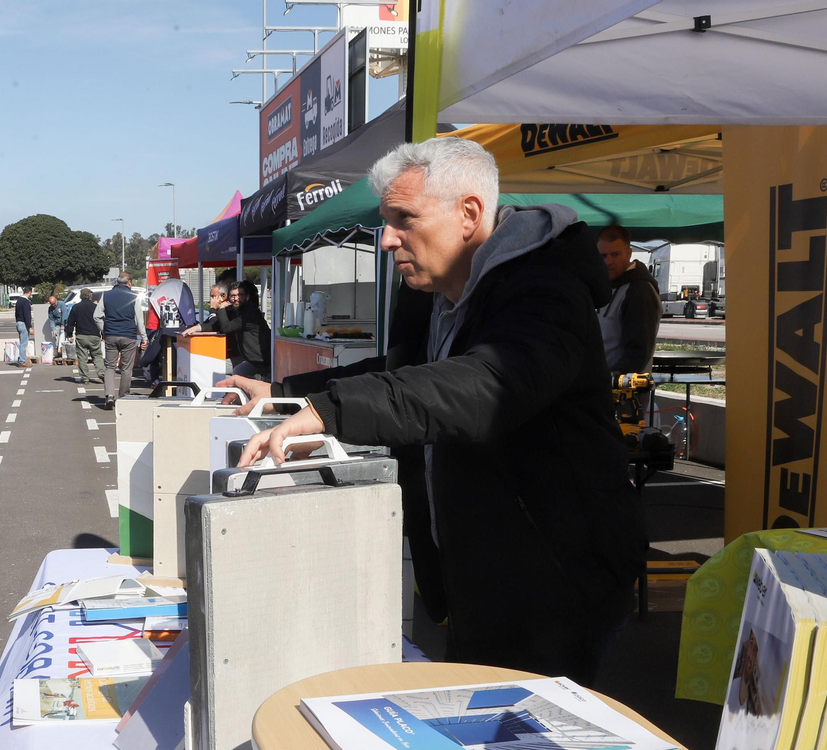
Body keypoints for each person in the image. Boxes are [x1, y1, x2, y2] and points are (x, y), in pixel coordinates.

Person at [237, 138, 646, 684]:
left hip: (554, 576)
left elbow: (487, 385)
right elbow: (407, 369)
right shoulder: (435, 290)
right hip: (478, 571)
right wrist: (285, 390)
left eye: (404, 219)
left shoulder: (546, 290)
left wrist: (330, 410)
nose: (386, 240)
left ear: (469, 213)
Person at [595, 224, 661, 376]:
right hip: (604, 386)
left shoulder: (639, 291)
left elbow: (638, 351)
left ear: (629, 253)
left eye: (615, 254)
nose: (608, 261)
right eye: (603, 256)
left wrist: (612, 377)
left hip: (626, 391)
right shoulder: (605, 286)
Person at [187, 278, 271, 380]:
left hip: (259, 361)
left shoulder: (249, 313)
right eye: (233, 296)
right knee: (216, 367)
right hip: (246, 358)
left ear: (247, 297)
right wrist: (198, 327)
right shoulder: (237, 311)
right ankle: (227, 394)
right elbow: (218, 325)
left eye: (240, 295)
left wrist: (220, 308)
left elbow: (226, 327)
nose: (236, 298)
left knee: (237, 372)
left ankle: (236, 395)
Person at [99, 270, 147, 409]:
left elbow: (97, 315)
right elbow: (139, 320)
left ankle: (109, 396)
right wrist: (144, 337)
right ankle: (124, 396)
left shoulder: (106, 295)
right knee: (126, 368)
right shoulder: (134, 296)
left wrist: (104, 330)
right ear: (130, 282)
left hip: (111, 335)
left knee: (110, 366)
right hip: (128, 335)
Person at [66, 288, 104, 384]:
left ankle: (85, 378)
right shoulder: (96, 307)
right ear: (91, 296)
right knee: (97, 356)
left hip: (81, 335)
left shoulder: (76, 307)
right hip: (94, 335)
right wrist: (104, 334)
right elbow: (102, 321)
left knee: (82, 358)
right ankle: (101, 373)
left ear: (80, 296)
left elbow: (70, 322)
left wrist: (69, 333)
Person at [11, 287, 33, 365]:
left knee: (21, 342)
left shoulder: (19, 301)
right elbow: (27, 315)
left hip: (18, 322)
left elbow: (16, 314)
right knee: (24, 343)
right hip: (24, 324)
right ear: (29, 292)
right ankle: (22, 361)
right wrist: (29, 327)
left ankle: (22, 358)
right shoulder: (26, 302)